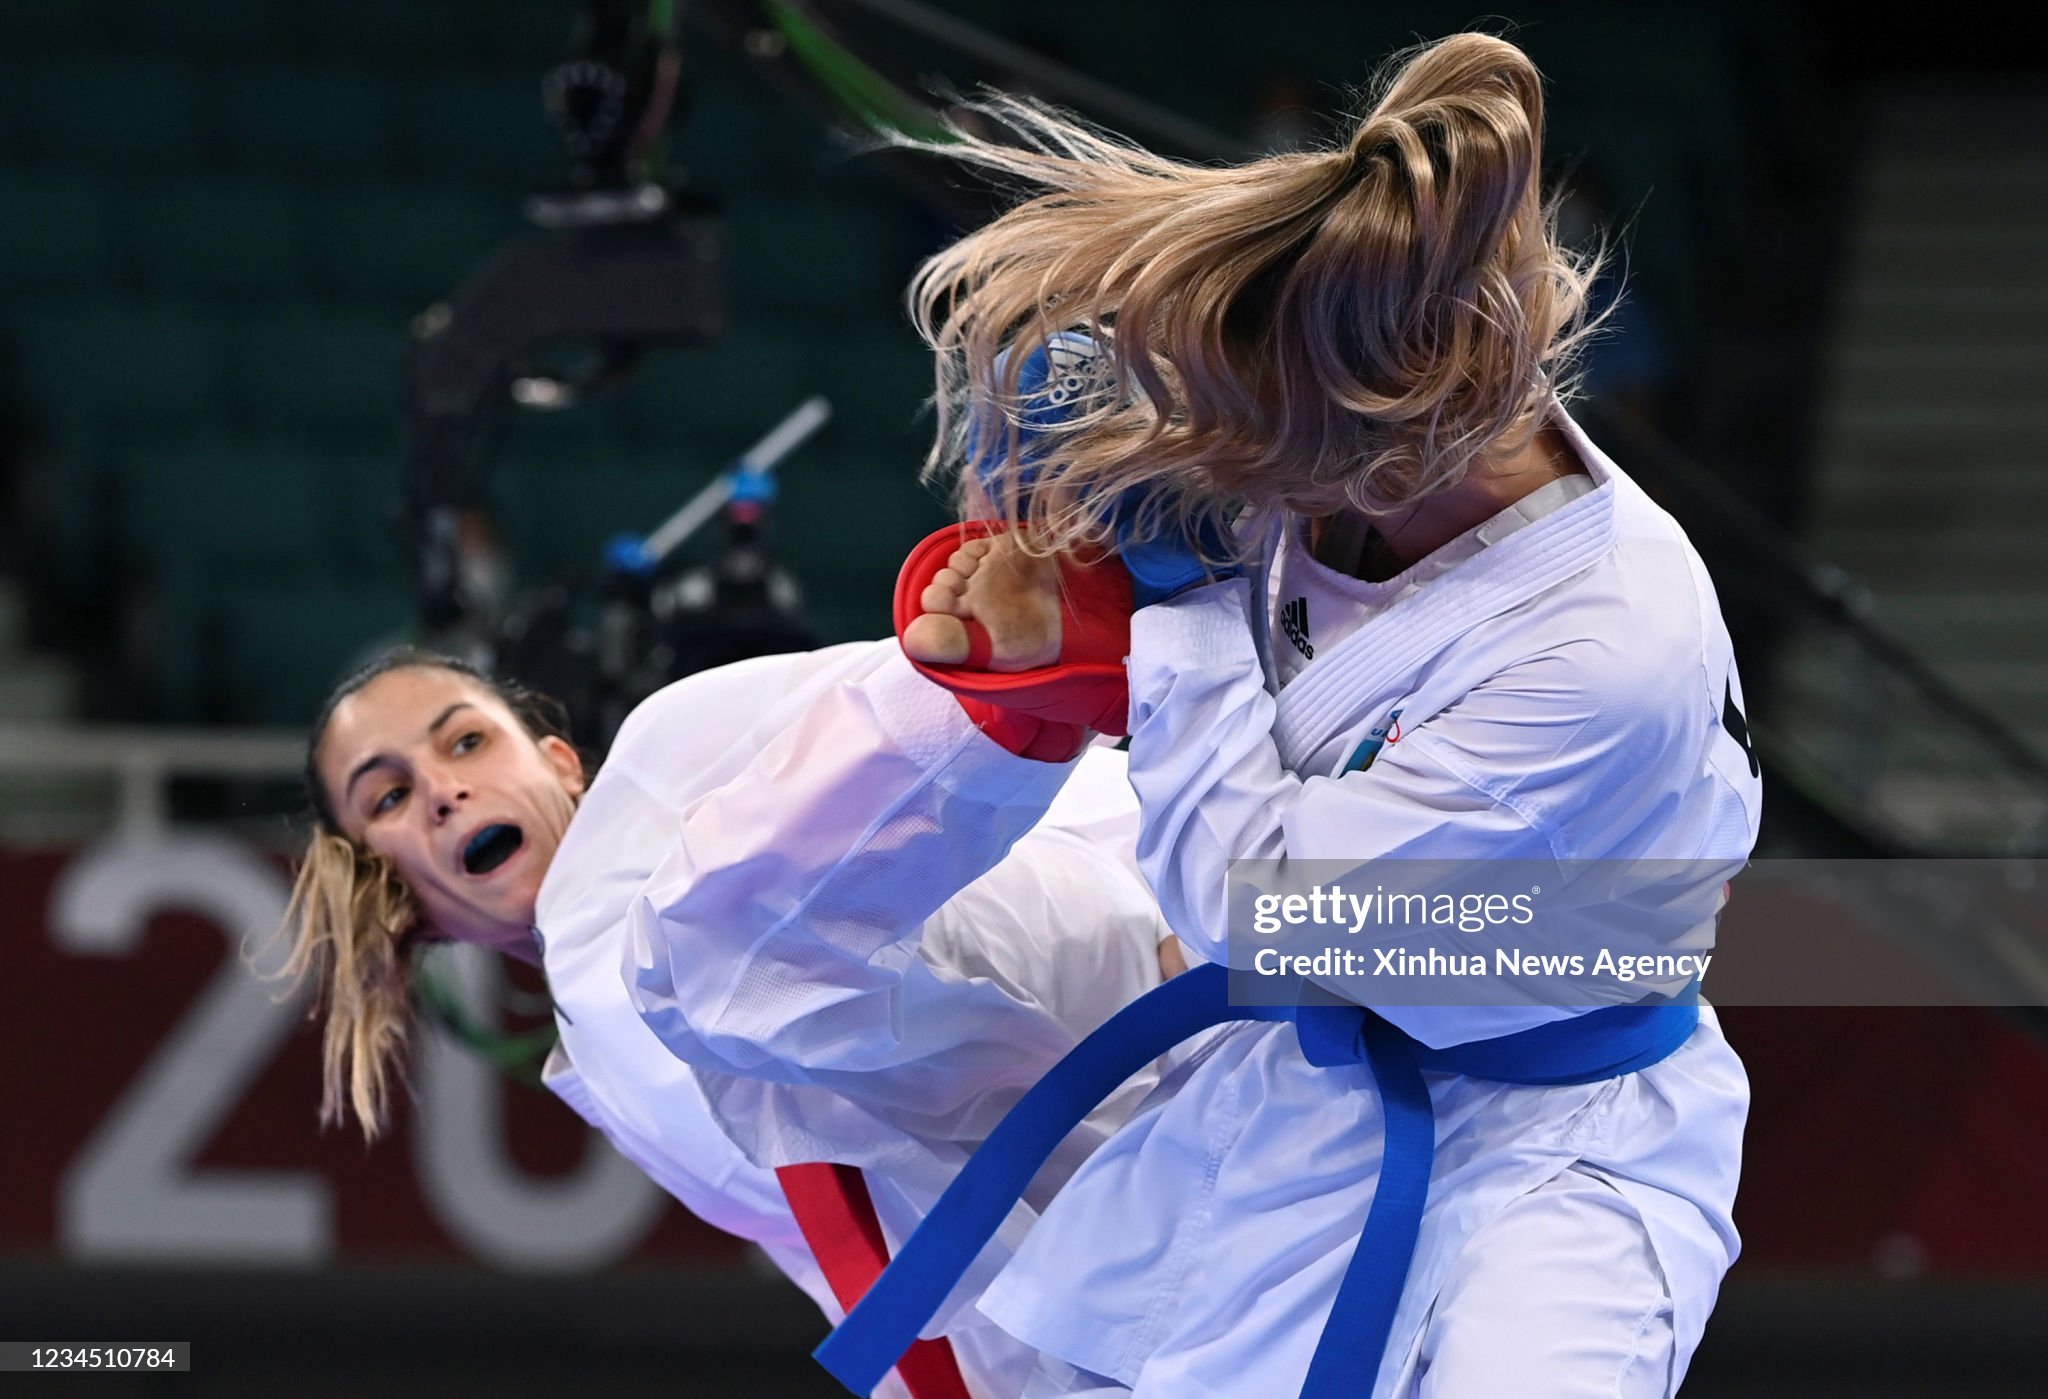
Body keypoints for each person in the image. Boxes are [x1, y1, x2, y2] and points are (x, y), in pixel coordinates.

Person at [834, 31, 1759, 1399]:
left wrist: (1188, 611)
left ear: (1386, 442)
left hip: (1556, 1134)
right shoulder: (1326, 390)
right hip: (1305, 1071)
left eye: (1259, 444)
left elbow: (1261, 913)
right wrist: (1058, 485)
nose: (1229, 468)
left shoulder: (1605, 641)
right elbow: (1066, 398)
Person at [282, 639, 1183, 1397]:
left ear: (558, 759)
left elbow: (973, 666)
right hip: (1149, 1246)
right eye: (388, 796)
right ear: (389, 893)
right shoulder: (608, 1067)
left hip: (1164, 971)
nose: (443, 788)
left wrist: (1229, 944)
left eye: (467, 741)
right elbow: (872, 1258)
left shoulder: (669, 747)